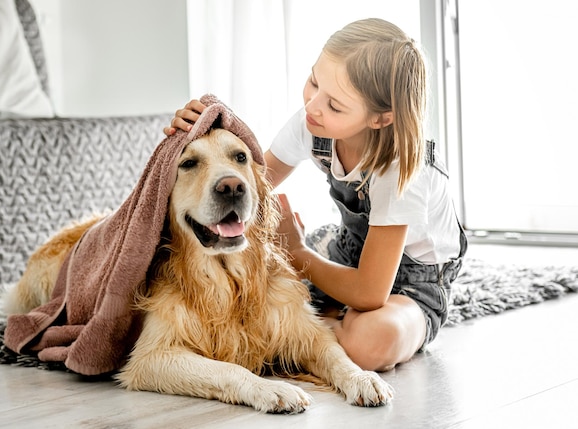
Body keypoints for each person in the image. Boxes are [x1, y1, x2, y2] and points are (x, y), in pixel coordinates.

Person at [163, 17, 467, 372]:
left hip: (414, 283)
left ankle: (314, 331)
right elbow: (254, 182)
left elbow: (371, 293)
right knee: (262, 297)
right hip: (345, 250)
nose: (313, 105)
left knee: (370, 344)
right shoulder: (315, 122)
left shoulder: (402, 168)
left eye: (335, 105)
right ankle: (327, 320)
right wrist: (201, 127)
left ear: (381, 118)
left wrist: (297, 252)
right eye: (313, 81)